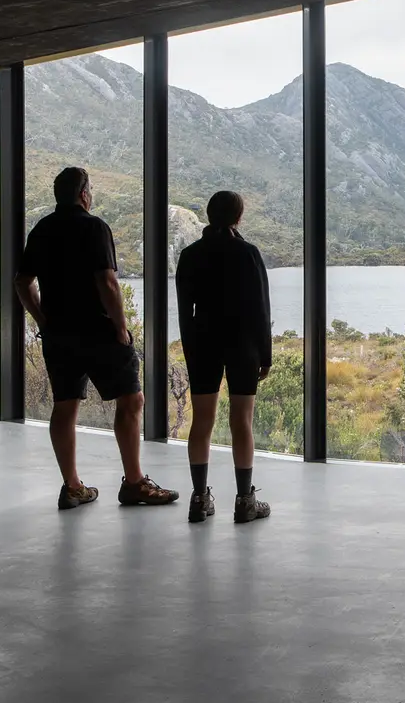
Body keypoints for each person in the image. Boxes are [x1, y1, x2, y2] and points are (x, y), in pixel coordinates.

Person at [15, 166, 178, 511]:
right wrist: (120, 327)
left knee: (65, 405)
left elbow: (22, 282)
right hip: (98, 331)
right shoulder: (94, 227)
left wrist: (43, 319)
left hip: (59, 335)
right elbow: (107, 282)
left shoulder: (42, 229)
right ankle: (134, 483)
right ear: (84, 194)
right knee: (131, 400)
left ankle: (73, 486)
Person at [174, 190, 273, 523]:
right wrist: (265, 355)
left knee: (202, 421)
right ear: (238, 218)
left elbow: (184, 312)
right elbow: (261, 309)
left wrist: (190, 349)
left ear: (209, 214)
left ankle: (199, 498)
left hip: (203, 343)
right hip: (243, 344)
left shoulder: (190, 255)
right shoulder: (248, 253)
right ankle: (245, 501)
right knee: (241, 421)